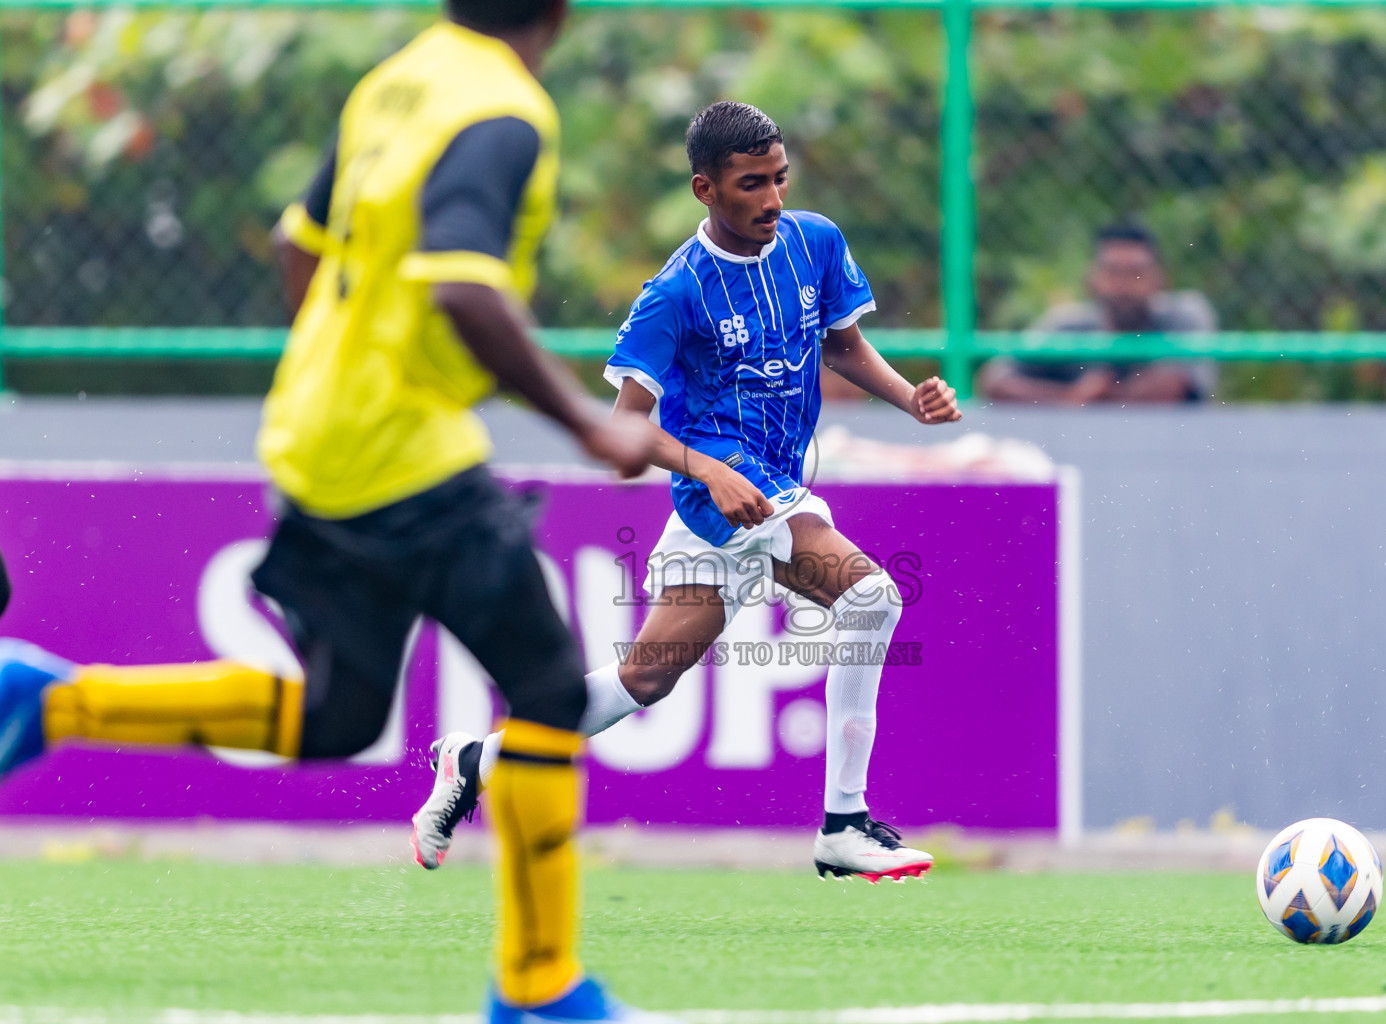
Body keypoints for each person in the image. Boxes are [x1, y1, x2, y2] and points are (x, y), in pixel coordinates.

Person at [0, 2, 672, 1022]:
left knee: (340, 714)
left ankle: (49, 699)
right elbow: (463, 288)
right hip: (404, 454)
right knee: (544, 686)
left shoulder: (399, 77)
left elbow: (298, 246)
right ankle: (539, 988)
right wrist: (591, 425)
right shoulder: (502, 110)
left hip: (321, 438)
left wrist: (343, 365)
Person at [410, 101, 963, 884]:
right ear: (706, 189)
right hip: (728, 496)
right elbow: (628, 427)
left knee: (644, 680)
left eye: (778, 179)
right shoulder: (674, 294)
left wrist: (912, 400)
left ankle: (477, 757)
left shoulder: (814, 240)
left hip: (765, 494)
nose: (771, 199)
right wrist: (705, 466)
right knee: (873, 598)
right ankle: (843, 823)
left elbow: (843, 347)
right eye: (750, 185)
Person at [978, 223, 1217, 405]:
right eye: (1113, 272)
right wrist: (1071, 398)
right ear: (1092, 278)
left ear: (1160, 278)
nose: (1124, 284)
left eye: (1136, 272)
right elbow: (995, 381)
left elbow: (1176, 384)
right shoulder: (1068, 326)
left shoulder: (1185, 314)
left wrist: (1105, 399)